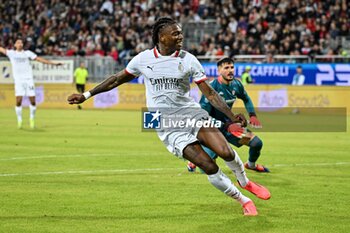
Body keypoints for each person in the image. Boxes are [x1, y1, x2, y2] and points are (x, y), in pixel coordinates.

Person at [67, 17, 270, 216]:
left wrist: (232, 116)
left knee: (225, 151)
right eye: (176, 33)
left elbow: (209, 92)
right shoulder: (143, 59)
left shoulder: (188, 59)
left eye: (181, 33)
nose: (181, 36)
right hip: (165, 123)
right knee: (208, 165)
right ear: (161, 37)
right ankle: (244, 201)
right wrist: (86, 95)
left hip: (190, 113)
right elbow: (115, 79)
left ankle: (245, 182)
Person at [187, 57, 269, 173]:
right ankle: (196, 159)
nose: (230, 70)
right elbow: (203, 116)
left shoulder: (236, 84)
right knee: (206, 169)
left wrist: (252, 115)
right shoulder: (211, 88)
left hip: (229, 127)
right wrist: (225, 125)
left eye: (232, 67)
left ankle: (251, 165)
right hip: (212, 130)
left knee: (256, 143)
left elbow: (246, 98)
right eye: (226, 68)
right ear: (219, 71)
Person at [0, 38, 62, 129]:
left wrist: (53, 64)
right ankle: (19, 119)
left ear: (22, 45)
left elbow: (39, 59)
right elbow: (1, 49)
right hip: (19, 80)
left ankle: (32, 119)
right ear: (15, 45)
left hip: (29, 79)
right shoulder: (11, 53)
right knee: (18, 101)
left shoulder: (28, 53)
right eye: (18, 42)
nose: (20, 43)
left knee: (32, 100)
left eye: (21, 42)